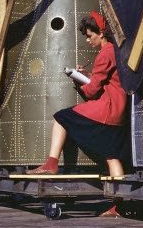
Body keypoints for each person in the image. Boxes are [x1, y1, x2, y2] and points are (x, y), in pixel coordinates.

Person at [27, 11, 129, 177]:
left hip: (106, 110)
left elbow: (92, 91)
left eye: (90, 36)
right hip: (118, 113)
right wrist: (88, 76)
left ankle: (51, 164)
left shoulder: (105, 54)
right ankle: (119, 200)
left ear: (101, 33)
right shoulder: (115, 51)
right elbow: (106, 80)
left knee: (61, 117)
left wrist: (77, 81)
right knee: (112, 157)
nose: (88, 41)